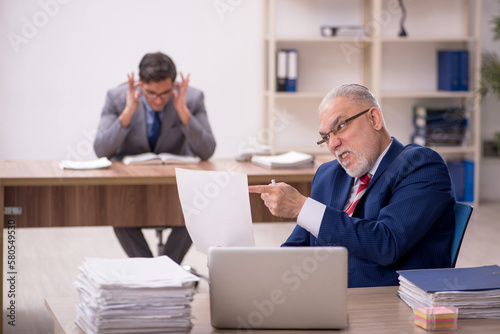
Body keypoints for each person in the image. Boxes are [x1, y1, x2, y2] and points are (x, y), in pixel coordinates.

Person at [249, 84, 455, 288]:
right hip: (325, 300)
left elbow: (387, 244)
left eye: (340, 127)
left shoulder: (421, 165)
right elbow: (297, 247)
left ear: (374, 119)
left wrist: (303, 207)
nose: (333, 144)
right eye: (325, 137)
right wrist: (251, 268)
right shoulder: (328, 174)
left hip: (389, 305)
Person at [94, 52, 216, 264]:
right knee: (118, 214)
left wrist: (183, 113)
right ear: (140, 84)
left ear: (175, 84)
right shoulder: (117, 97)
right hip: (131, 189)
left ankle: (163, 268)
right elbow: (101, 150)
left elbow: (207, 151)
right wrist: (128, 113)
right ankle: (154, 270)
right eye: (151, 93)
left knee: (197, 211)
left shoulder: (192, 98)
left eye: (165, 93)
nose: (158, 100)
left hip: (176, 188)